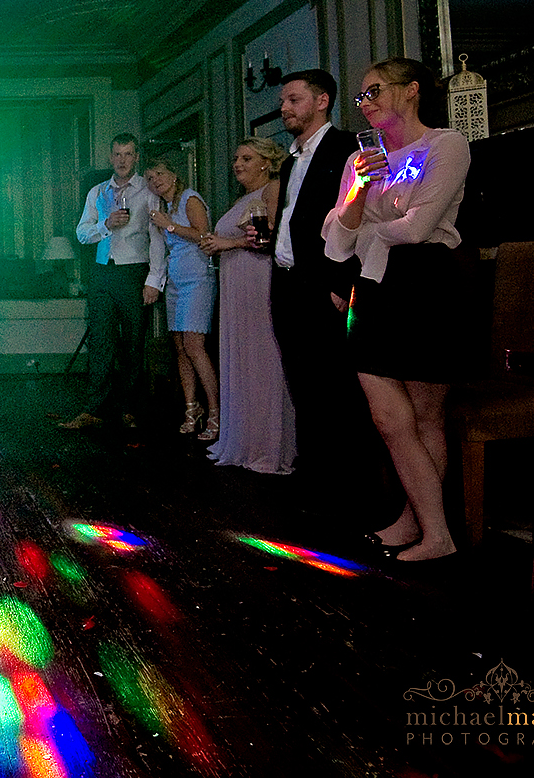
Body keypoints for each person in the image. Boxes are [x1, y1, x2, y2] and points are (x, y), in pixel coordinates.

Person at [323, 58, 470, 562]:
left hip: (427, 284)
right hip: (374, 286)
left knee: (426, 417)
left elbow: (418, 228)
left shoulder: (445, 145)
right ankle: (435, 530)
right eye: (361, 96)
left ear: (411, 91)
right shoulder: (358, 159)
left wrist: (362, 230)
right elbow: (335, 244)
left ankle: (425, 528)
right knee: (389, 417)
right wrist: (361, 189)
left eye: (374, 91)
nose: (365, 103)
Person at [268, 70, 387, 528]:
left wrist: (343, 282)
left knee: (335, 390)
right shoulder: (290, 160)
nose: (284, 109)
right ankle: (313, 481)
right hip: (286, 284)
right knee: (302, 385)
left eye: (293, 100)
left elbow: (359, 218)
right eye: (283, 101)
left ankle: (345, 492)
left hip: (325, 285)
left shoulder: (346, 149)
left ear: (322, 101)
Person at [199, 137, 297, 473]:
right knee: (241, 355)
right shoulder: (242, 198)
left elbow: (271, 238)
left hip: (257, 279)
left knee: (262, 356)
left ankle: (267, 446)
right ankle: (243, 438)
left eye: (246, 158)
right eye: (236, 158)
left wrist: (229, 241)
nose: (238, 164)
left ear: (265, 163)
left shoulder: (272, 189)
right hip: (236, 282)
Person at [61, 134, 167, 432]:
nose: (122, 160)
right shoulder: (97, 192)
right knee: (100, 343)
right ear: (111, 157)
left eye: (128, 154)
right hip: (102, 272)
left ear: (136, 158)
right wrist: (106, 225)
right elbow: (82, 234)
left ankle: (129, 409)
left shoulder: (148, 191)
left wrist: (153, 280)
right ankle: (95, 409)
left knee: (134, 344)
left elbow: (158, 239)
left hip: (135, 272)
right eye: (117, 154)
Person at [146, 152, 218, 441]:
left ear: (174, 174)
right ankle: (192, 408)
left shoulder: (189, 199)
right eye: (150, 178)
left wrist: (169, 225)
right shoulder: (165, 205)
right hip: (175, 282)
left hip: (197, 280)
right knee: (180, 348)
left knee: (194, 346)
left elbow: (204, 235)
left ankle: (216, 412)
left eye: (160, 175)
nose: (155, 182)